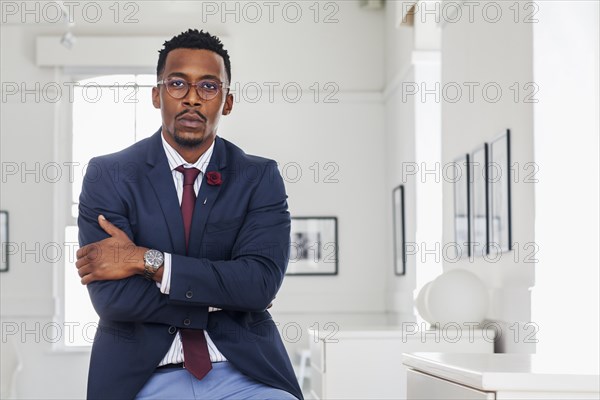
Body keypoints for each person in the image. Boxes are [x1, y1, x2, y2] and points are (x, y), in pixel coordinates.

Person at [75, 29, 302, 400]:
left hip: (246, 373)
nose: (192, 99)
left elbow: (259, 284)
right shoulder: (109, 175)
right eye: (178, 83)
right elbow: (113, 298)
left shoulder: (259, 177)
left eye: (209, 87)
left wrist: (143, 260)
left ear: (227, 102)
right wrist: (226, 294)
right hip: (142, 378)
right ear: (157, 95)